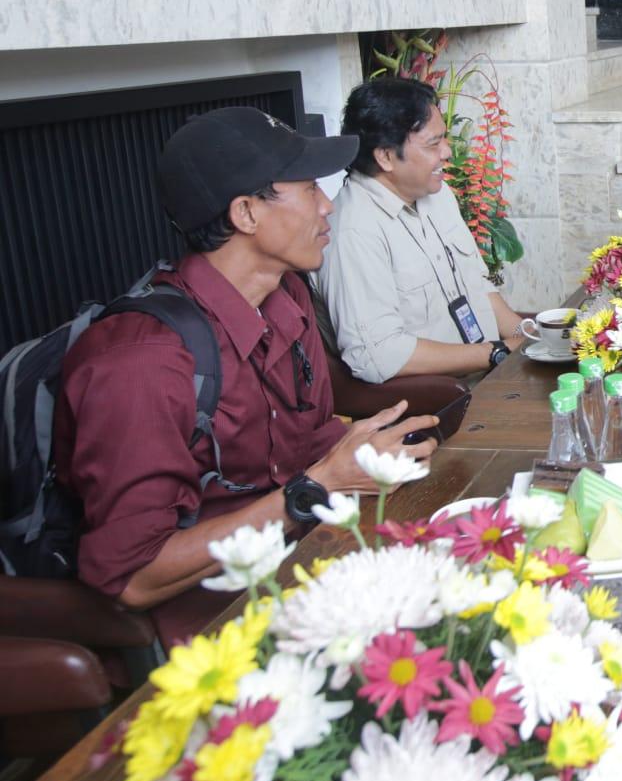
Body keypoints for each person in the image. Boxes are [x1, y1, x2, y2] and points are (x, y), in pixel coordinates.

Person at [53, 107, 439, 647]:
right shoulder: (141, 364)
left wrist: (366, 447)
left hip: (308, 562)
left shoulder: (287, 295)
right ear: (246, 213)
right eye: (308, 188)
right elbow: (133, 576)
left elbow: (302, 439)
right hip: (212, 631)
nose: (327, 205)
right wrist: (312, 489)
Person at [314, 78, 527, 385]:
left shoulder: (436, 194)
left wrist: (531, 339)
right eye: (433, 144)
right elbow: (377, 355)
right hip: (442, 399)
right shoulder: (353, 232)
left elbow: (478, 287)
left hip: (494, 373)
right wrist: (498, 352)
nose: (447, 153)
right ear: (386, 156)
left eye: (445, 139)